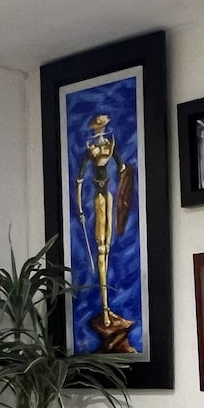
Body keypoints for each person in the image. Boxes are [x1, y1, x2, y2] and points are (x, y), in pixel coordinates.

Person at [75, 113, 132, 328]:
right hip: (98, 197)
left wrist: (124, 196)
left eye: (102, 127)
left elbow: (123, 169)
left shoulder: (110, 145)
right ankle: (105, 309)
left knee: (107, 248)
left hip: (108, 195)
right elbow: (79, 180)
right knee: (101, 250)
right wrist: (80, 208)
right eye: (97, 128)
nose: (99, 131)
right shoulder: (91, 150)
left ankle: (108, 308)